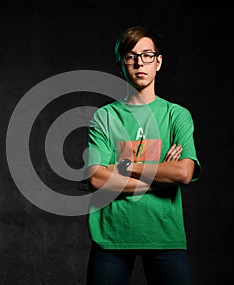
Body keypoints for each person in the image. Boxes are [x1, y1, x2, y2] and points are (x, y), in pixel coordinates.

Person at [84, 26, 202, 285]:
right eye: (131, 56)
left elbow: (183, 172)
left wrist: (123, 166)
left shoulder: (176, 115)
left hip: (164, 234)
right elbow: (95, 179)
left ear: (158, 62)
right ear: (121, 63)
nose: (140, 62)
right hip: (111, 237)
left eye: (148, 55)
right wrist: (159, 172)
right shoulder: (105, 117)